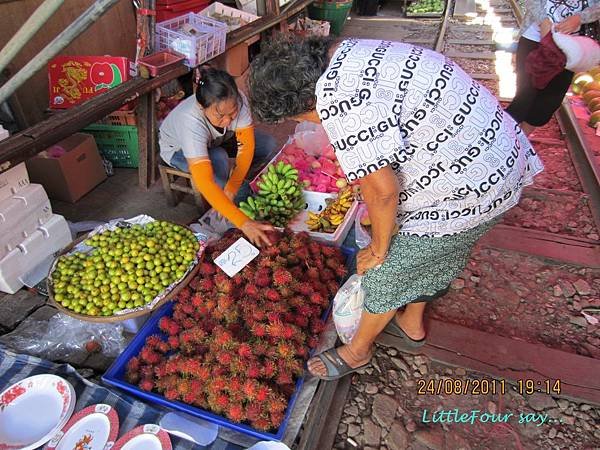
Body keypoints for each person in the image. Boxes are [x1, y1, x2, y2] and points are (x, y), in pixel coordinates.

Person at [248, 37, 544, 380]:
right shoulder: (346, 52)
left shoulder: (337, 102)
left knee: (385, 270)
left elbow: (385, 193)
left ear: (302, 105)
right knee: (438, 254)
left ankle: (357, 352)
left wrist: (378, 248)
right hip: (496, 155)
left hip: (469, 184)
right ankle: (411, 322)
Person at [159, 67, 277, 247]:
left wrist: (233, 185)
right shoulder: (191, 121)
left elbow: (246, 148)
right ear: (202, 107)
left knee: (266, 145)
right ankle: (216, 208)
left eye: (233, 112)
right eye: (221, 115)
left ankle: (228, 188)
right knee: (220, 161)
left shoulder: (238, 100)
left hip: (218, 139)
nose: (229, 120)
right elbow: (204, 181)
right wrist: (244, 222)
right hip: (177, 149)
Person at [505, 0, 600, 135]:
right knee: (524, 97)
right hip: (534, 38)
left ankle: (519, 141)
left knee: (549, 102)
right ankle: (499, 139)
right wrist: (543, 21)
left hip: (572, 46)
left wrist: (579, 18)